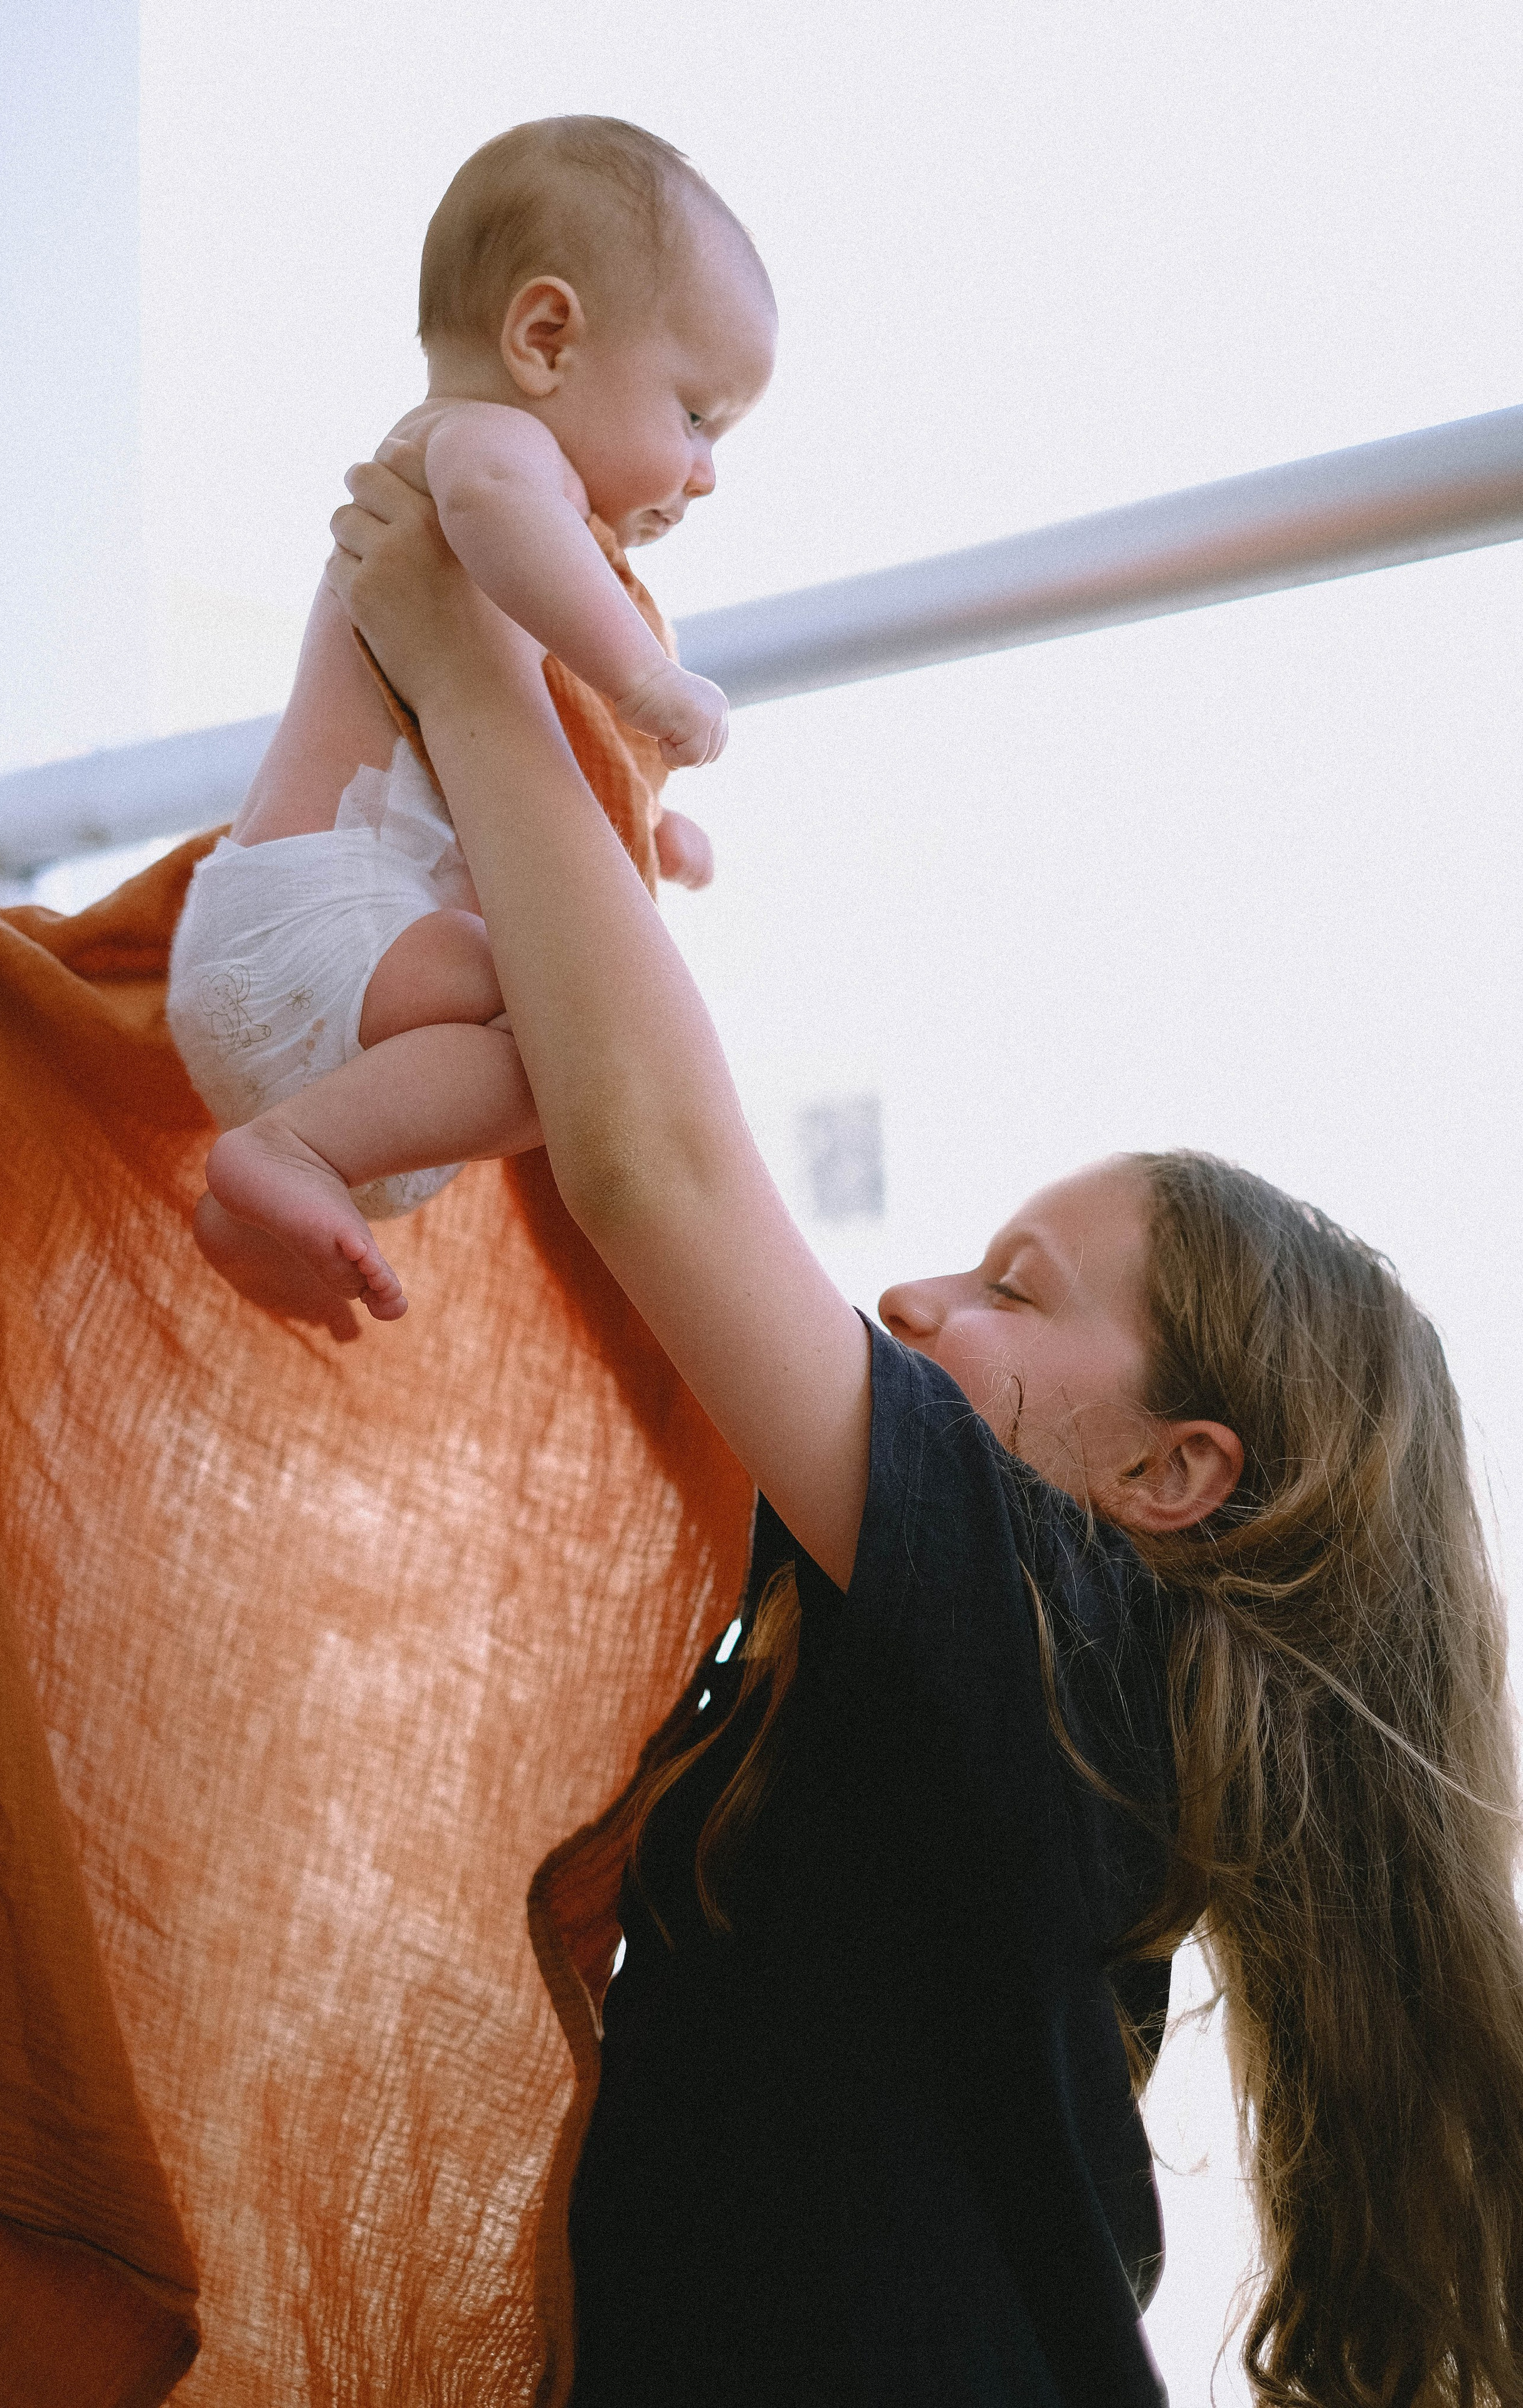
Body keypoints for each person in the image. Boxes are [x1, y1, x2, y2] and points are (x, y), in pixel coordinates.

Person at [322, 464, 1523, 2408]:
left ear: (1173, 1476)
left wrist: (464, 670)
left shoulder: (1061, 1643)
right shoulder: (1009, 1699)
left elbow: (654, 1164)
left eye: (1017, 1290)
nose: (914, 1306)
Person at [166, 117, 776, 1328]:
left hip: (330, 968)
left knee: (576, 1039)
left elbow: (511, 780)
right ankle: (289, 1152)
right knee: (583, 1034)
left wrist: (644, 834)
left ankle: (273, 1183)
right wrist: (651, 679)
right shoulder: (485, 451)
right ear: (544, 339)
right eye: (697, 418)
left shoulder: (536, 551)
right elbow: (504, 515)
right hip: (324, 923)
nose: (705, 474)